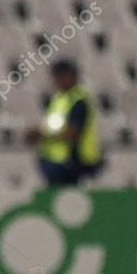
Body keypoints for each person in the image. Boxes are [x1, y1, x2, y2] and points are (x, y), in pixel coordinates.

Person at [25, 58, 103, 186]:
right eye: (56, 76)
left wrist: (41, 135)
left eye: (62, 76)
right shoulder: (59, 100)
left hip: (77, 161)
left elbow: (72, 134)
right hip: (60, 159)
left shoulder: (79, 101)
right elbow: (54, 127)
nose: (58, 80)